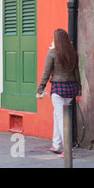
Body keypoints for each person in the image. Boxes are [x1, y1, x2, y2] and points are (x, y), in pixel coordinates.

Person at [36, 29, 82, 157]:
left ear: (56, 40)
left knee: (62, 118)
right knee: (58, 115)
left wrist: (40, 89)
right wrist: (79, 91)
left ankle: (68, 151)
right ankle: (56, 144)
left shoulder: (52, 54)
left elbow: (46, 74)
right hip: (71, 89)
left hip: (58, 89)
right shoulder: (73, 53)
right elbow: (77, 73)